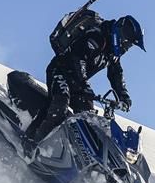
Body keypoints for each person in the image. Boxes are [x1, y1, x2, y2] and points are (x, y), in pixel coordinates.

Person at [26, 14, 144, 143]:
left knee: (88, 119)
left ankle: (71, 151)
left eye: (130, 45)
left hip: (78, 83)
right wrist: (84, 83)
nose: (127, 48)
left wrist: (124, 96)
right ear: (121, 35)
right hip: (60, 71)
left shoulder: (112, 53)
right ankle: (32, 142)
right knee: (60, 105)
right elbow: (78, 58)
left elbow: (116, 74)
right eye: (128, 43)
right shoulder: (97, 37)